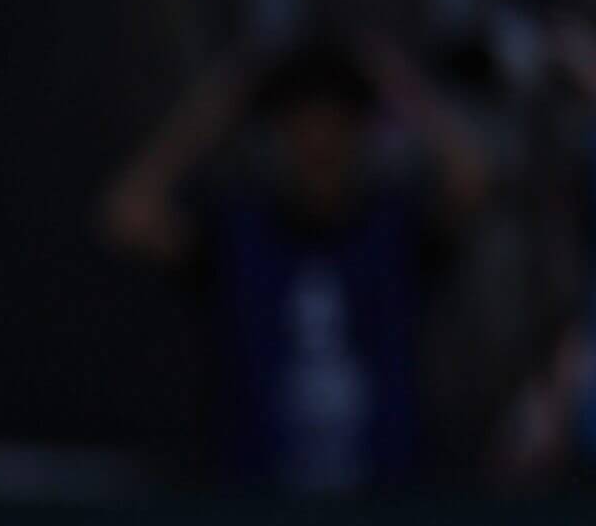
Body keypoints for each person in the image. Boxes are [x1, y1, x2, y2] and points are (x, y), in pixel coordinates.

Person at [99, 37, 489, 491]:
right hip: (259, 508)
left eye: (337, 127)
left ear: (360, 134)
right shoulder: (237, 236)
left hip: (385, 507)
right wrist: (219, 108)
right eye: (302, 127)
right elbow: (126, 215)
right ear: (279, 136)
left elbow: (473, 178)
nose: (320, 143)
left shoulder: (395, 231)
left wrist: (401, 90)